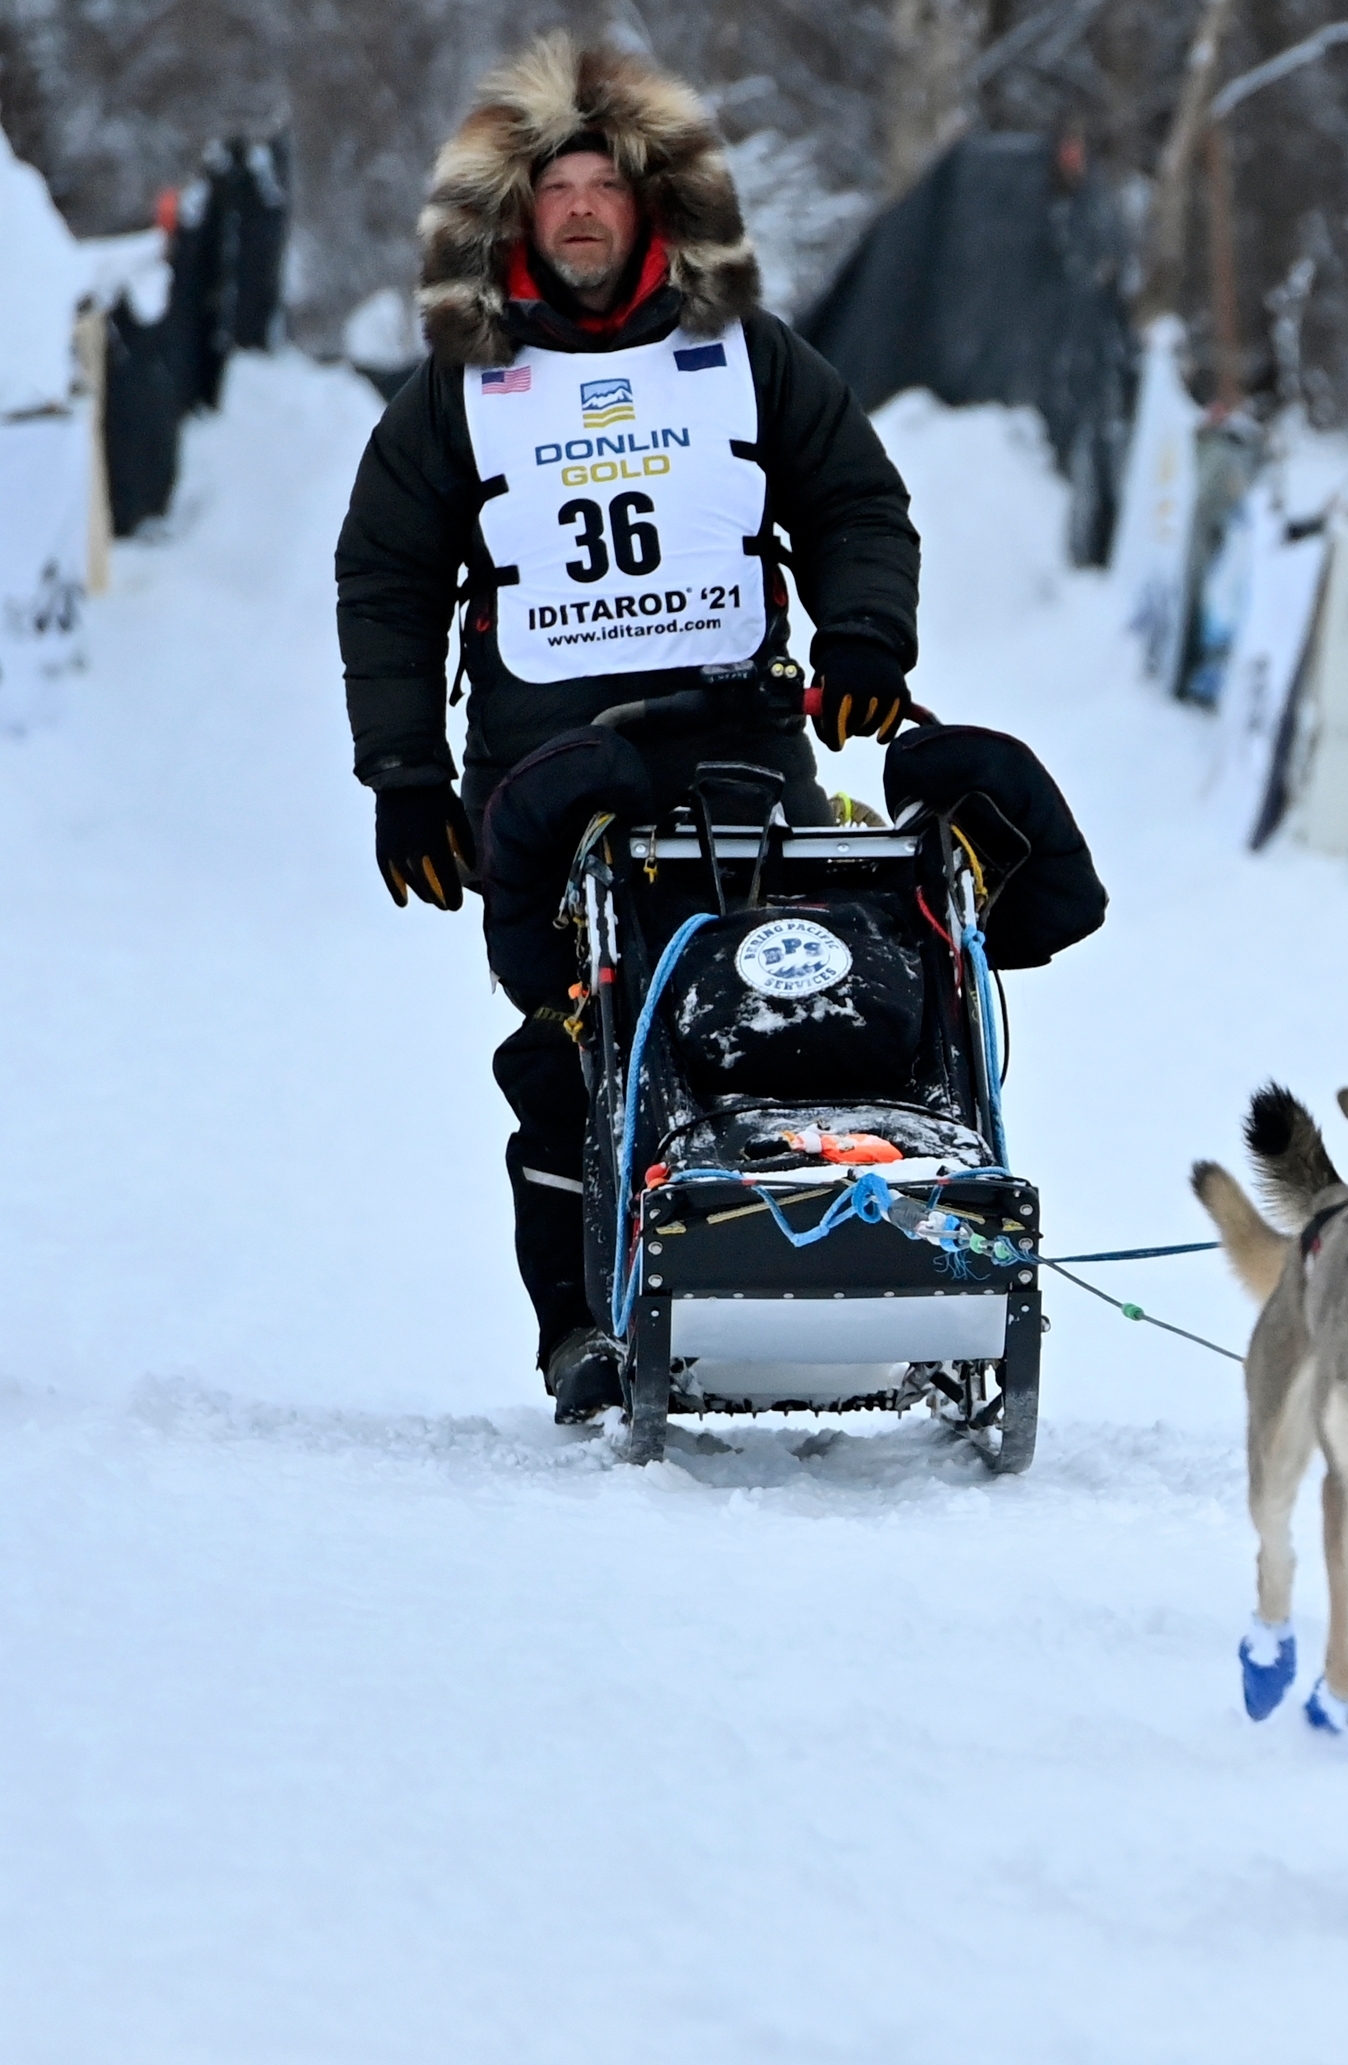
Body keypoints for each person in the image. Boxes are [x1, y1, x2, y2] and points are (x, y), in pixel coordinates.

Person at [334, 35, 921, 1421]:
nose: (585, 207)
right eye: (559, 189)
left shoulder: (747, 360)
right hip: (544, 772)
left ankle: (799, 1292)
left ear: (656, 208)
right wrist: (406, 775)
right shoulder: (461, 388)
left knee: (787, 1002)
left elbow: (853, 503)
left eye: (608, 182)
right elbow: (390, 577)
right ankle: (584, 1332)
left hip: (738, 747)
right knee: (568, 1054)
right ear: (518, 216)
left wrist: (862, 642)